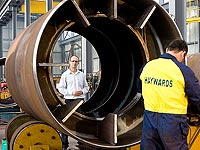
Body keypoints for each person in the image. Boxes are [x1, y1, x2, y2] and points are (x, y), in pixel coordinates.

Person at [137, 39, 200, 150]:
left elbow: (139, 88)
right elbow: (196, 96)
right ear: (183, 53)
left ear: (167, 50)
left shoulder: (147, 66)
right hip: (173, 122)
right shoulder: (182, 70)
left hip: (149, 120)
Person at [57, 55, 89, 149]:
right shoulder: (65, 75)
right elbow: (61, 88)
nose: (74, 63)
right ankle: (64, 142)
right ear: (69, 63)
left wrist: (81, 92)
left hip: (80, 101)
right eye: (73, 61)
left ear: (78, 63)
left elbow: (86, 87)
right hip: (69, 101)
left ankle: (81, 141)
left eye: (76, 61)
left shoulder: (82, 75)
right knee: (65, 121)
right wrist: (72, 92)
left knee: (81, 121)